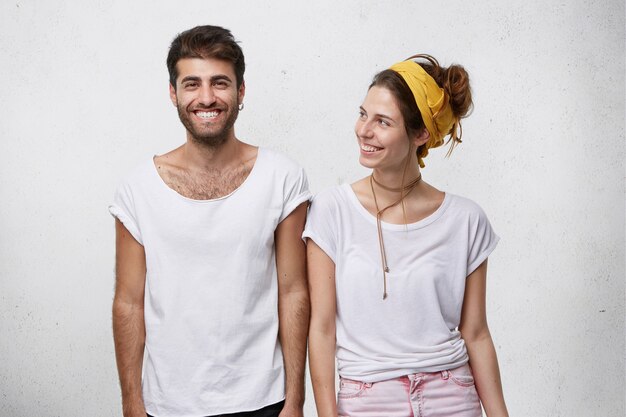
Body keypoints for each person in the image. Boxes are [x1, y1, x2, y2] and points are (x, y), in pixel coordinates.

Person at [109, 25, 310, 417]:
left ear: (241, 91)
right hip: (167, 405)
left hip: (263, 401)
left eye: (220, 83)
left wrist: (295, 400)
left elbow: (295, 293)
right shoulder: (137, 188)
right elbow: (128, 304)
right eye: (191, 84)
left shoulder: (282, 177)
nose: (206, 98)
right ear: (173, 93)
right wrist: (132, 405)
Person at [305, 54, 509, 417]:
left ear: (420, 134)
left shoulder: (465, 220)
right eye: (363, 113)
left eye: (383, 121)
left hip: (452, 396)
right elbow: (321, 329)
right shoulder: (331, 210)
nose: (364, 130)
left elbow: (476, 333)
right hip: (368, 398)